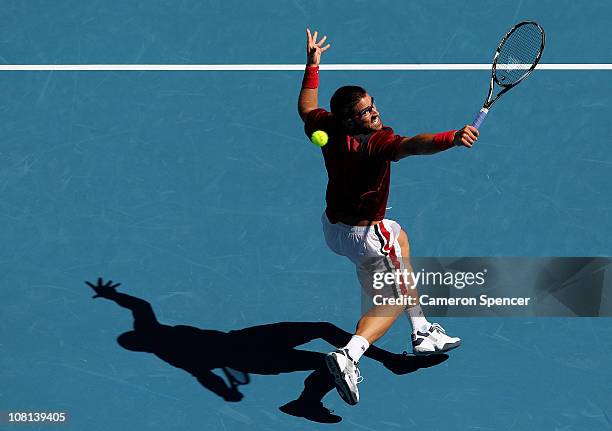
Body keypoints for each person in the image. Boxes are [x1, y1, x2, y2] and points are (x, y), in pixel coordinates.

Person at [297, 29, 479, 406]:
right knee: (391, 297)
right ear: (350, 121)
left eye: (372, 104)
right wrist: (452, 136)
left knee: (401, 239)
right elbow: (413, 145)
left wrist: (313, 66)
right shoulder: (378, 143)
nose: (374, 112)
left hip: (333, 229)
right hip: (367, 236)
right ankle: (349, 356)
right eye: (365, 111)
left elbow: (305, 106)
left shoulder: (326, 126)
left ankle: (422, 329)